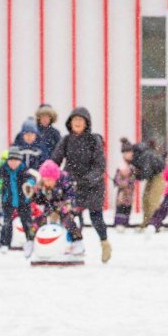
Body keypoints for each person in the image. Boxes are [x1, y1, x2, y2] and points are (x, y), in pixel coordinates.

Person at [51, 107, 112, 263]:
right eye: (74, 120)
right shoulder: (66, 140)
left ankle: (104, 242)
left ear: (87, 123)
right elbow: (54, 161)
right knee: (68, 214)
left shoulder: (93, 140)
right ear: (70, 123)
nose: (77, 123)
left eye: (80, 120)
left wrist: (87, 179)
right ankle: (76, 243)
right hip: (72, 184)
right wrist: (48, 174)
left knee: (95, 217)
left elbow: (100, 165)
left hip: (93, 185)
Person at [0, 147, 36, 255]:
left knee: (27, 223)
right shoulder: (3, 169)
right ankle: (5, 244)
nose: (13, 163)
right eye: (10, 160)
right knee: (7, 223)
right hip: (8, 200)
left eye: (15, 160)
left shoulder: (23, 169)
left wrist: (30, 183)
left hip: (23, 201)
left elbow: (31, 177)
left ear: (19, 161)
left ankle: (30, 241)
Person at [28, 159, 85, 255]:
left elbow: (71, 194)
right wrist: (33, 195)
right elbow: (40, 200)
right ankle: (31, 242)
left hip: (64, 208)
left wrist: (68, 204)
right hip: (49, 208)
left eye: (49, 180)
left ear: (55, 177)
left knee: (68, 221)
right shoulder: (43, 186)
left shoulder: (65, 180)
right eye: (45, 180)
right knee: (37, 222)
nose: (47, 183)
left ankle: (77, 242)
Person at [122, 138, 166, 227]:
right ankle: (146, 222)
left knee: (152, 200)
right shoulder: (136, 157)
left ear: (131, 152)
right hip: (151, 177)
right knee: (145, 199)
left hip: (159, 176)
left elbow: (146, 171)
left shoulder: (143, 155)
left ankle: (154, 224)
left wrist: (135, 175)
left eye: (126, 153)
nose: (125, 156)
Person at [112, 159, 136, 229]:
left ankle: (125, 222)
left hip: (129, 194)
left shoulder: (132, 172)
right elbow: (117, 180)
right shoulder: (119, 172)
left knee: (127, 208)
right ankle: (119, 223)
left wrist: (126, 183)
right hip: (121, 194)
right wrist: (123, 184)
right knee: (120, 208)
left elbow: (132, 180)